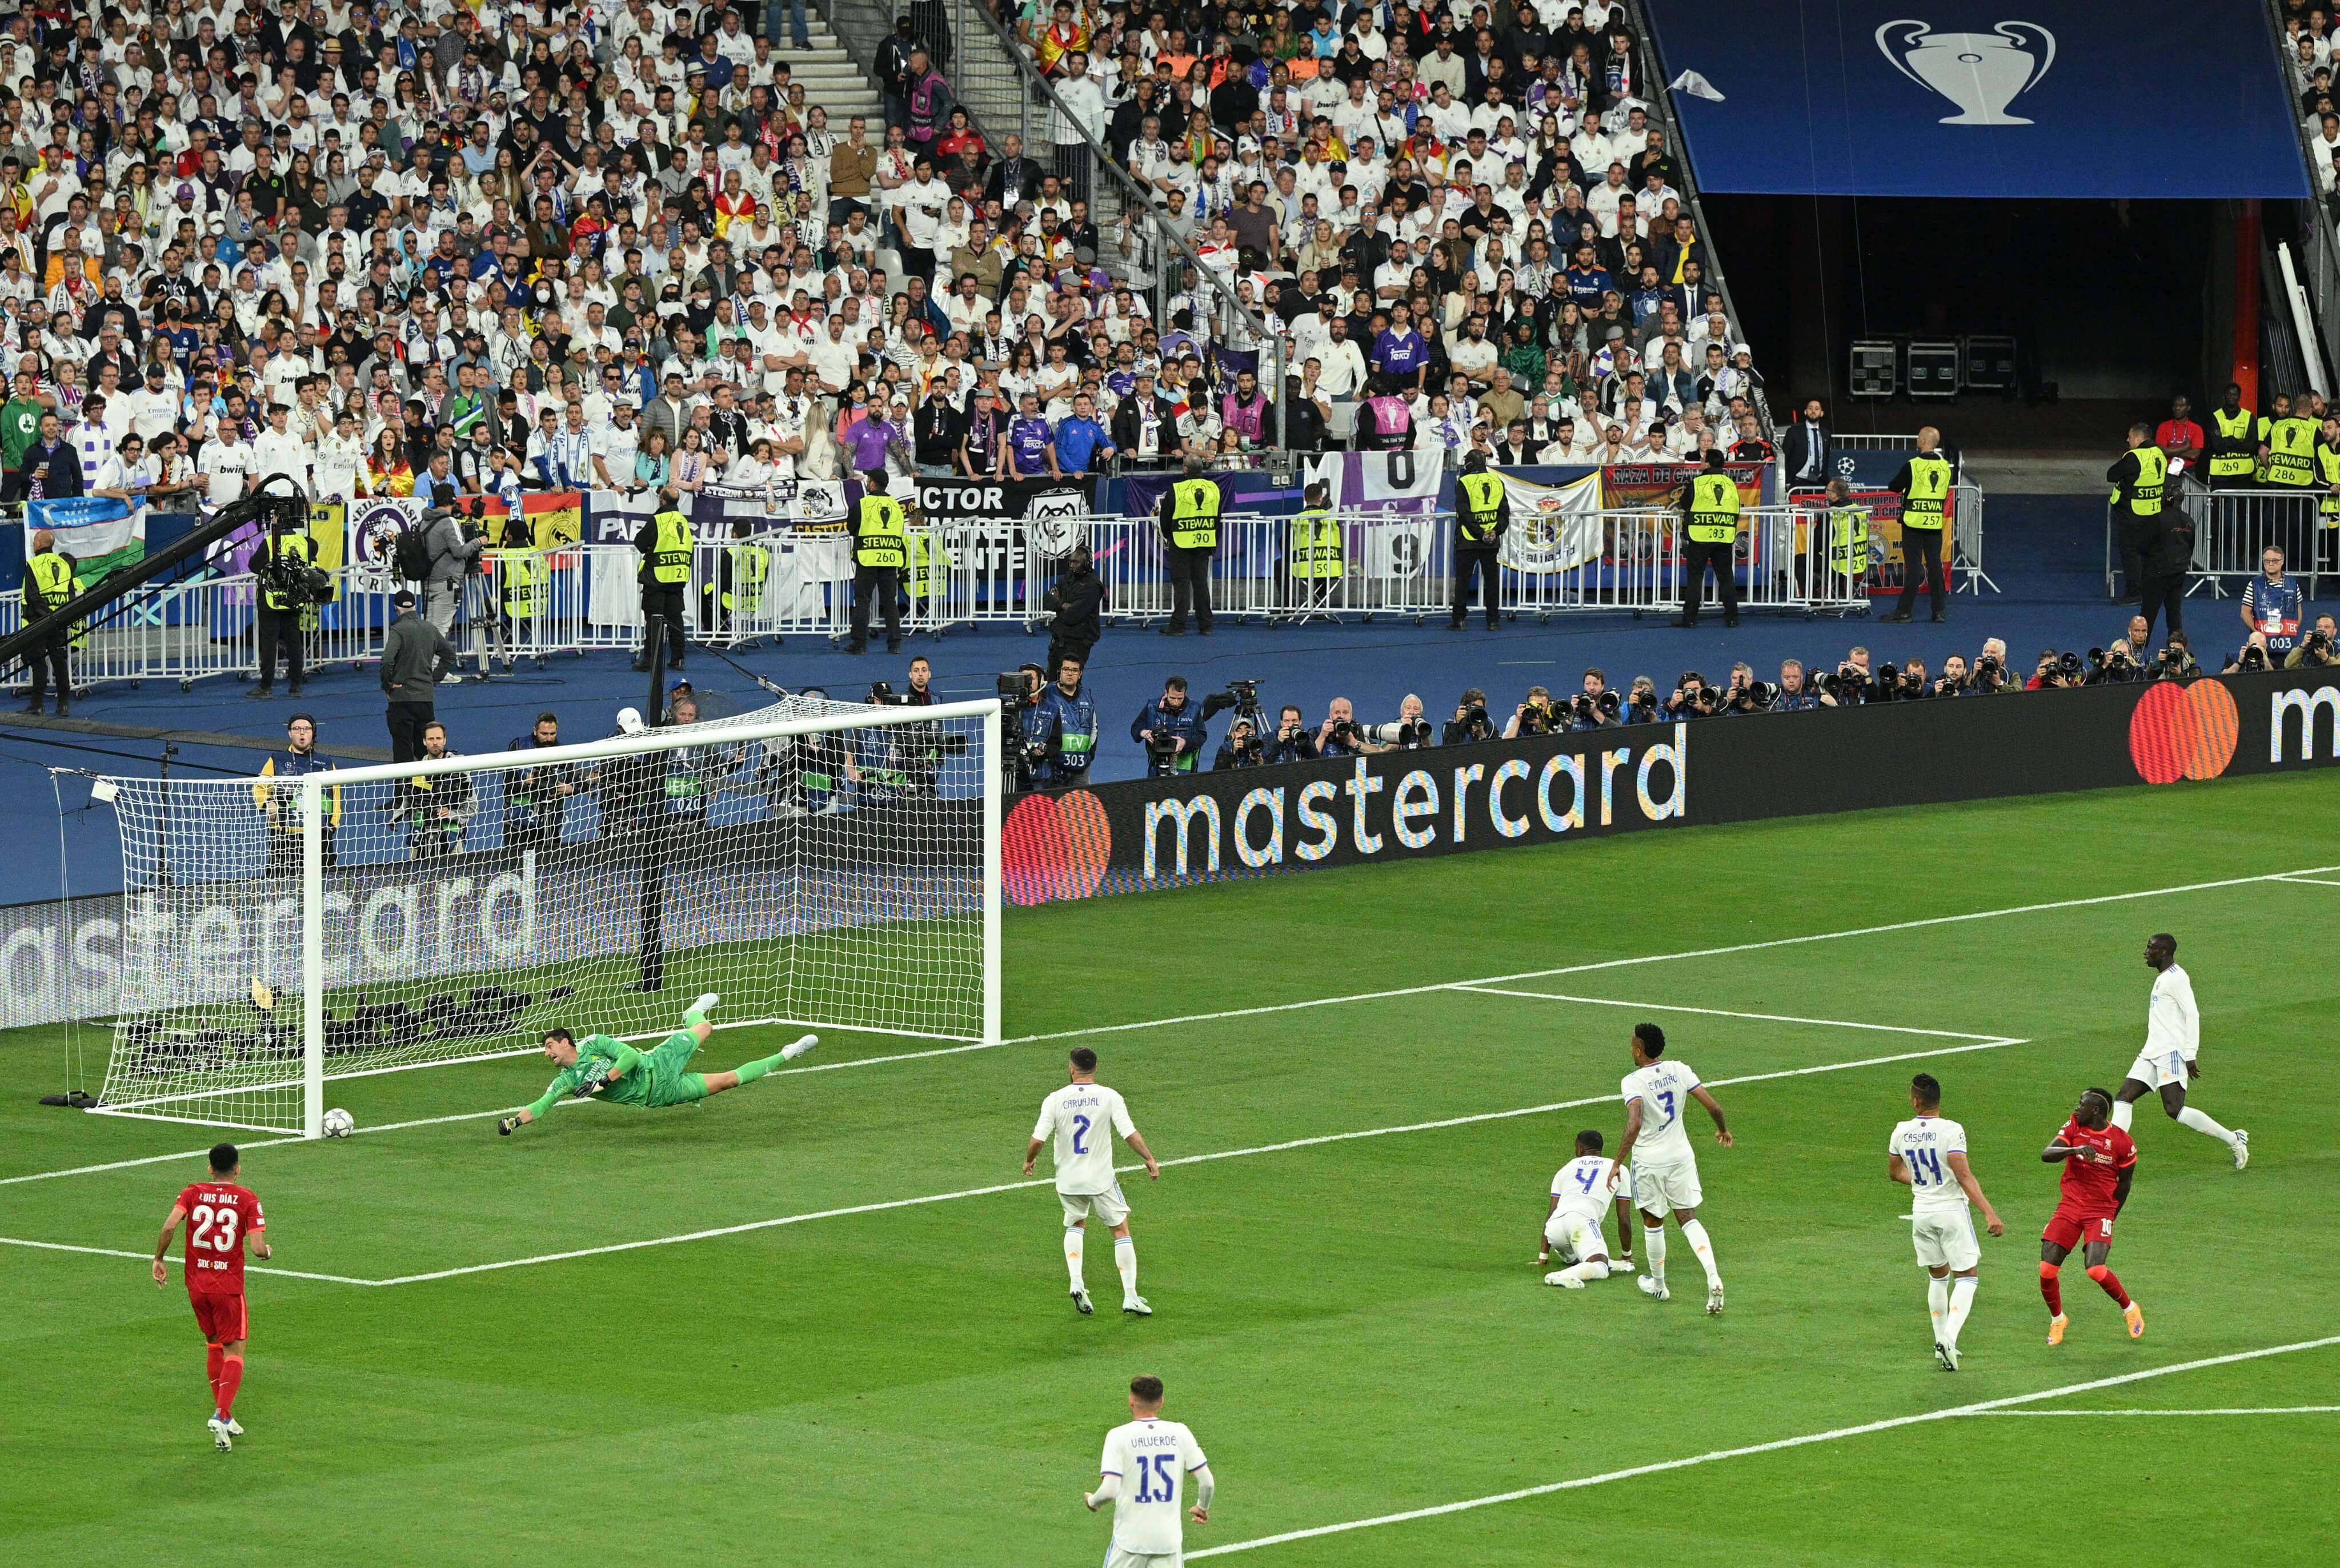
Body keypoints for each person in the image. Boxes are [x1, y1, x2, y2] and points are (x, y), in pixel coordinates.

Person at [499, 997, 818, 1136]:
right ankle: (790, 1052)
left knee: (705, 1029)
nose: (547, 1054)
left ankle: (693, 1012)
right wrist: (514, 1121)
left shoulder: (594, 1043)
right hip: (659, 1095)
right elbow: (542, 1105)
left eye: (550, 1046)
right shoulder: (566, 1080)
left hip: (657, 1062)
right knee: (729, 1081)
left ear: (566, 1042)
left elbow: (631, 1058)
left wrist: (605, 1082)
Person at [151, 1142, 271, 1451]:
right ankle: (220, 1414)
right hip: (227, 1288)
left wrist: (159, 1259)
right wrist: (267, 1252)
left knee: (214, 1343)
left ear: (210, 1169)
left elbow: (168, 1226)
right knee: (235, 1351)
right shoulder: (247, 1198)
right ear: (238, 1169)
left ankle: (227, 1416)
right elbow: (258, 1249)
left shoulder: (192, 1192)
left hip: (197, 1286)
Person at [1025, 1046, 1160, 1316]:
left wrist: (1030, 1160)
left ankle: (1077, 1282)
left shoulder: (1055, 1099)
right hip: (1100, 1178)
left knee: (1076, 1224)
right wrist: (1148, 1158)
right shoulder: (1109, 1096)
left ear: (1071, 1069)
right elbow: (1129, 1133)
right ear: (1095, 1069)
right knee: (1121, 1231)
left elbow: (1038, 1139)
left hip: (1068, 1178)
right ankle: (1131, 1296)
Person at [1606, 1021, 1732, 1313]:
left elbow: (1635, 1122)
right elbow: (1714, 1107)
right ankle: (1713, 1276)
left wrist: (1617, 1162)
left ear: (1639, 1051)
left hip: (1649, 1162)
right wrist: (1722, 1130)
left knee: (1653, 1222)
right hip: (1681, 1157)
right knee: (1688, 1218)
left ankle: (1659, 1286)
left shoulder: (1633, 1081)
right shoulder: (1680, 1069)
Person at [1886, 1073, 2006, 1373]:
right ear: (1939, 1101)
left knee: (1938, 1276)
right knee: (1967, 1277)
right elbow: (1963, 1175)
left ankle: (1940, 1341)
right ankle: (1949, 1339)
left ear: (1915, 1101)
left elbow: (1895, 1173)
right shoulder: (1952, 1131)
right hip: (1951, 1211)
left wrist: (1925, 1183)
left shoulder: (1901, 1132)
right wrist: (1989, 1213)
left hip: (1921, 1213)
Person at [2110, 933, 2248, 1168]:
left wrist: (2190, 1053)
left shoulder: (2177, 979)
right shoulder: (2164, 977)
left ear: (2163, 952)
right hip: (2151, 1051)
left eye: (2150, 948)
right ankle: (2113, 1153)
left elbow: (2192, 1014)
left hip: (2171, 1052)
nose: (2146, 952)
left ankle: (2235, 1139)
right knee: (2124, 1097)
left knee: (2174, 1109)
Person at [2038, 1086, 2141, 1346]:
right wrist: (2075, 1150)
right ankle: (2058, 1319)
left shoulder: (2122, 1143)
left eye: (2081, 1104)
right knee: (2047, 1269)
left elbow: (2125, 1184)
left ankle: (2130, 1309)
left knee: (2095, 1269)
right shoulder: (2074, 1126)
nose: (2076, 1108)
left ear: (2095, 1110)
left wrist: (2111, 1215)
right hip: (2070, 1205)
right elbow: (2047, 1155)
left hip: (2100, 1210)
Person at [1085, 1374, 1213, 1557]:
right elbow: (1207, 1482)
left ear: (1131, 1401)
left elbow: (1109, 1491)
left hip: (1129, 1541)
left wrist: (1092, 1502)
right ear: (1161, 1402)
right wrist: (1202, 1508)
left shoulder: (1119, 1436)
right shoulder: (1180, 1432)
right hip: (1168, 1542)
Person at [1539, 1128, 1638, 1289]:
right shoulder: (1618, 1169)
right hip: (1581, 1222)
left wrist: (1543, 1257)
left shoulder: (1565, 1169)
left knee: (1579, 1257)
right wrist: (1627, 1255)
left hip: (1555, 1230)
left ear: (1579, 1149)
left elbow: (1551, 1212)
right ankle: (1559, 1276)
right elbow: (1624, 1218)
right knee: (1601, 1268)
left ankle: (1600, 1262)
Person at [252, 713, 341, 877]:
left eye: (306, 729)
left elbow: (335, 797)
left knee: (325, 883)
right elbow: (259, 787)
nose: (302, 733)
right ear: (290, 733)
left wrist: (333, 825)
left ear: (313, 733)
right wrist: (267, 804)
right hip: (285, 836)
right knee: (280, 886)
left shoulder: (327, 763)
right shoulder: (277, 760)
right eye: (297, 729)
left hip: (319, 835)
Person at [380, 589, 458, 765]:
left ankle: (403, 791)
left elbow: (387, 661)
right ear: (415, 606)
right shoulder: (429, 628)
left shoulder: (398, 630)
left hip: (401, 700)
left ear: (396, 608)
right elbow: (449, 655)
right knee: (427, 752)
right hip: (425, 700)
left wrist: (388, 685)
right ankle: (429, 790)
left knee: (403, 752)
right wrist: (434, 680)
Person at [1884, 426, 1952, 623]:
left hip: (1913, 523)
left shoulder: (1913, 465)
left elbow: (1894, 486)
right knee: (1935, 567)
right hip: (1935, 524)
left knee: (1914, 569)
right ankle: (1939, 611)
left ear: (1923, 441)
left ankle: (1904, 611)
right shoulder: (1945, 466)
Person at [247, 512, 318, 701]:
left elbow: (254, 566)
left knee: (269, 642)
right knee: (294, 641)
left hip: (271, 601)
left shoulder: (270, 542)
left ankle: (266, 686)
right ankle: (296, 685)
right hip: (294, 599)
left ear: (277, 520)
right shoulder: (303, 542)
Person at [387, 721, 474, 860]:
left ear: (445, 740)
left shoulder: (459, 770)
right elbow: (409, 800)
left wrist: (451, 813)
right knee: (417, 880)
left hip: (451, 837)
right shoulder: (417, 772)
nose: (435, 743)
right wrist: (397, 816)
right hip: (419, 838)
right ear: (424, 742)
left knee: (453, 879)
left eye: (439, 739)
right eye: (431, 739)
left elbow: (473, 806)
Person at [1673, 447, 1740, 628]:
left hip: (1700, 537)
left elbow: (1685, 503)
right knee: (1726, 578)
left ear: (1707, 463)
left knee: (1695, 579)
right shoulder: (1730, 484)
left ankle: (1690, 618)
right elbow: (1736, 509)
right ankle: (1733, 617)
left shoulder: (1698, 482)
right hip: (1723, 537)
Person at [1156, 454, 1220, 636]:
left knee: (1181, 584)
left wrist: (1170, 536)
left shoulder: (1177, 489)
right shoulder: (1213, 488)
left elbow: (1165, 517)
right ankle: (1206, 625)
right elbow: (1217, 516)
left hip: (1181, 542)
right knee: (1201, 584)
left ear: (1185, 469)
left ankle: (1178, 626)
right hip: (1205, 541)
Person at [2105, 422, 2169, 601]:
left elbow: (2112, 475)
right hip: (2154, 511)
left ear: (2140, 438)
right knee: (2149, 553)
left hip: (2133, 512)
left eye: (2130, 436)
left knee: (2131, 553)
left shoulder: (2135, 457)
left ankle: (2134, 593)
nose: (2128, 440)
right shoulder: (2159, 453)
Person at [848, 469, 907, 655]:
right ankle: (894, 644)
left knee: (863, 602)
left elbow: (852, 528)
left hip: (867, 559)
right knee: (890, 602)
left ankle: (859, 645)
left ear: (873, 483)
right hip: (890, 559)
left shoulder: (863, 504)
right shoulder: (896, 505)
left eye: (868, 479)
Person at [634, 487, 693, 672]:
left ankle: (651, 660)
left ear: (662, 500)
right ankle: (678, 659)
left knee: (654, 621)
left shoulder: (658, 520)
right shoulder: (683, 521)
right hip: (677, 577)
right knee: (676, 620)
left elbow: (640, 543)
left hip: (657, 578)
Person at [504, 712, 576, 857]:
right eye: (544, 734)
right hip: (519, 826)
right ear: (535, 730)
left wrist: (569, 789)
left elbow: (573, 784)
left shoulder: (565, 753)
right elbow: (507, 787)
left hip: (551, 824)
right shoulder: (519, 747)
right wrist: (525, 783)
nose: (548, 738)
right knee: (518, 873)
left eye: (552, 734)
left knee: (551, 870)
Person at [19, 527, 75, 715]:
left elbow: (33, 596)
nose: (34, 543)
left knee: (38, 663)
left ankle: (37, 704)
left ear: (42, 544)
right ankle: (63, 704)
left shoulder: (33, 565)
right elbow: (70, 596)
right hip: (59, 620)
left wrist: (46, 616)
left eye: (35, 540)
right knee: (60, 661)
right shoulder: (65, 565)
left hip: (39, 621)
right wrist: (58, 617)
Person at [1450, 450, 1508, 630]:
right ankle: (1493, 621)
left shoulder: (1464, 483)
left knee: (1463, 581)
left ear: (1469, 465)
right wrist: (1495, 531)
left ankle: (1459, 620)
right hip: (1491, 541)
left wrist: (1479, 533)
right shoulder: (1498, 481)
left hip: (1468, 539)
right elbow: (1504, 511)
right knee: (1492, 581)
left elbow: (1464, 513)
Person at [1028, 655, 1100, 785]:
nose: (1070, 673)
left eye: (1074, 670)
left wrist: (1090, 754)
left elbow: (1094, 727)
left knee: (1080, 805)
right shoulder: (1047, 693)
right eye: (1066, 669)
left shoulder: (1087, 696)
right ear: (1059, 672)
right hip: (1053, 768)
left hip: (1081, 768)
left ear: (1080, 674)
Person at [1042, 540, 1106, 677]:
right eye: (1071, 562)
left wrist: (1058, 603)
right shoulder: (1068, 577)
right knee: (1051, 682)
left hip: (1078, 642)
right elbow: (1047, 600)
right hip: (1060, 639)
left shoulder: (1093, 586)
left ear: (1087, 564)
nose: (1072, 566)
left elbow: (1072, 616)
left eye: (1076, 563)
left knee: (1070, 682)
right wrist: (1062, 605)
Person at [422, 504, 483, 640]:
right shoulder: (449, 521)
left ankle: (427, 661)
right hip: (447, 582)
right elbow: (460, 551)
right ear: (450, 501)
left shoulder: (424, 521)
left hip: (428, 582)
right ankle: (434, 662)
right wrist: (478, 542)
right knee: (441, 629)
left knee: (429, 629)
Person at [1131, 675, 1207, 776]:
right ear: (1166, 693)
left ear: (1185, 694)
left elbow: (1202, 736)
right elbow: (1135, 728)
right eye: (1172, 698)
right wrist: (1143, 733)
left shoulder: (1194, 709)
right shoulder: (1152, 707)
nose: (1176, 702)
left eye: (1180, 699)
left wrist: (1185, 742)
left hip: (1184, 766)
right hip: (1156, 764)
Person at [2239, 546, 2303, 666]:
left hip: (2288, 644)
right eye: (2267, 561)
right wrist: (2257, 633)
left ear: (2282, 561)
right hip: (2264, 645)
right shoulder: (2255, 584)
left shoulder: (2293, 584)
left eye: (2275, 561)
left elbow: (2298, 611)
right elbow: (2245, 612)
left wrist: (2291, 630)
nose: (2271, 564)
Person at [2199, 382, 2257, 485]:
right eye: (2229, 394)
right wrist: (2238, 441)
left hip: (2244, 474)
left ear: (2239, 398)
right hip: (2220, 475)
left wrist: (2226, 441)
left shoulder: (2249, 417)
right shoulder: (2215, 417)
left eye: (2234, 395)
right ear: (2224, 397)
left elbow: (2252, 446)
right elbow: (2217, 446)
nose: (2231, 397)